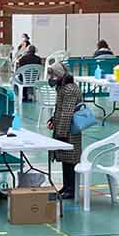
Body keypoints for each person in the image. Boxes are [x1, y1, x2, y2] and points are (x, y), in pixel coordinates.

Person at [47, 61, 82, 201]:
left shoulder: (70, 89)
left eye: (53, 75)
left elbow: (67, 114)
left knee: (71, 159)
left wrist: (61, 134)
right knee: (64, 159)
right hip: (63, 128)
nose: (51, 78)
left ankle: (71, 189)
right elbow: (60, 109)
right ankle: (66, 187)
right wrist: (53, 120)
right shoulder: (62, 88)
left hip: (70, 131)